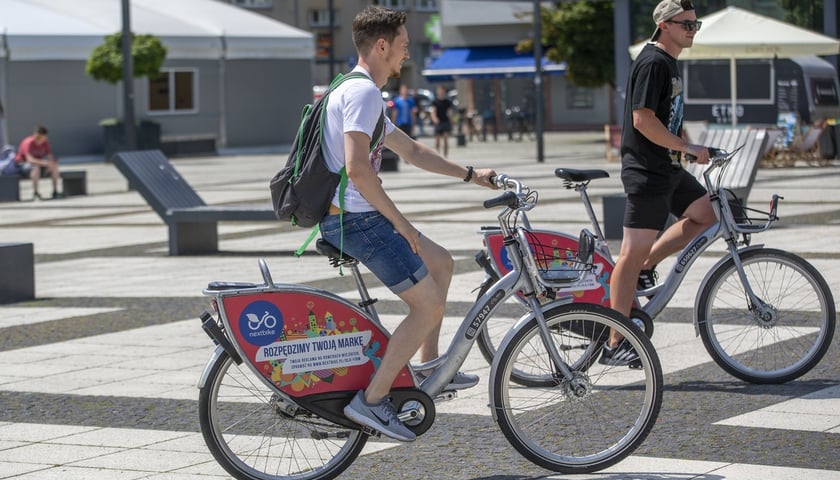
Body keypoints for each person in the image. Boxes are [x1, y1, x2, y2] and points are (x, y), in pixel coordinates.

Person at [319, 6, 496, 442]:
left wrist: (472, 176)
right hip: (355, 221)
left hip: (357, 215)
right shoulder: (362, 94)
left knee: (442, 264)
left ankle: (431, 369)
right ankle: (372, 402)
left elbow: (413, 152)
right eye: (402, 46)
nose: (406, 56)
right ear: (381, 46)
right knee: (429, 305)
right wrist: (406, 228)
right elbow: (360, 170)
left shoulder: (356, 90)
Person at [606, 0, 715, 366]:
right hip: (647, 171)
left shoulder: (669, 63)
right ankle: (616, 340)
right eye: (686, 24)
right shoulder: (654, 62)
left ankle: (648, 265)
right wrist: (686, 146)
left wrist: (684, 149)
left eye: (695, 25)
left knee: (707, 214)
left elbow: (667, 117)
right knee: (629, 254)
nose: (692, 30)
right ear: (664, 25)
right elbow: (642, 120)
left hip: (667, 168)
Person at [12, 125, 63, 200]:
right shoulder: (28, 142)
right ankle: (36, 193)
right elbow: (29, 159)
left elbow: (49, 156)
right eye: (38, 137)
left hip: (38, 163)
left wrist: (51, 163)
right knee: (35, 168)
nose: (40, 140)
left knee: (54, 166)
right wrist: (45, 163)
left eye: (42, 138)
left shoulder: (45, 143)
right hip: (23, 164)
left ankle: (55, 191)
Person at [430, 85, 454, 156]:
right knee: (437, 139)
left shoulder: (447, 102)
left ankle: (445, 155)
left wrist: (451, 122)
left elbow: (450, 113)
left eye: (442, 91)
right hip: (438, 122)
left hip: (445, 121)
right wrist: (434, 119)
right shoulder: (435, 101)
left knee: (446, 138)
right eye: (439, 91)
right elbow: (433, 111)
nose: (441, 92)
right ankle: (437, 154)